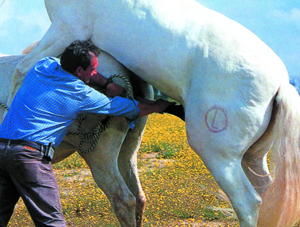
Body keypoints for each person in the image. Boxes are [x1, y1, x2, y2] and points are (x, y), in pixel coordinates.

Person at [0, 40, 175, 226]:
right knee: (52, 221)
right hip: (30, 157)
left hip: (2, 151)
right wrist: (158, 106)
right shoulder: (80, 93)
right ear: (78, 71)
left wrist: (105, 82)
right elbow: (125, 108)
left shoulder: (43, 65)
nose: (95, 73)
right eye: (92, 70)